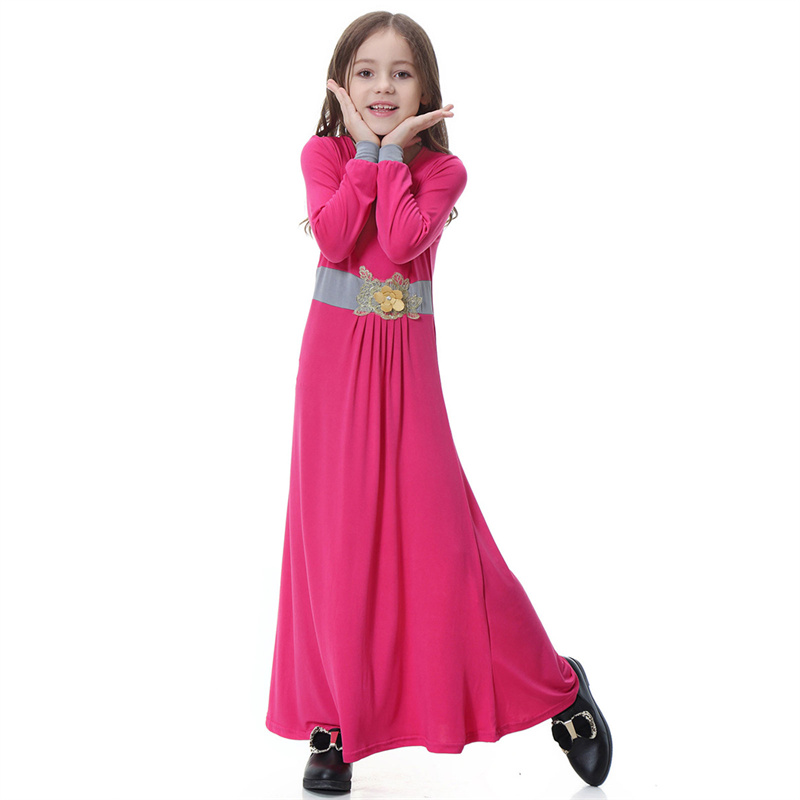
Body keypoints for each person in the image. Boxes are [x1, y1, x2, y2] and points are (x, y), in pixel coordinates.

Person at [264, 10, 612, 793]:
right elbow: (335, 240)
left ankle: (561, 688)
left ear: (426, 86)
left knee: (448, 550)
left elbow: (398, 242)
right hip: (331, 369)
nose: (382, 87)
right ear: (341, 83)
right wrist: (364, 152)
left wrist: (390, 153)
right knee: (333, 543)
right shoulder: (322, 155)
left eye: (401, 72)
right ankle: (333, 725)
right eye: (365, 72)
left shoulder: (443, 172)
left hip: (406, 369)